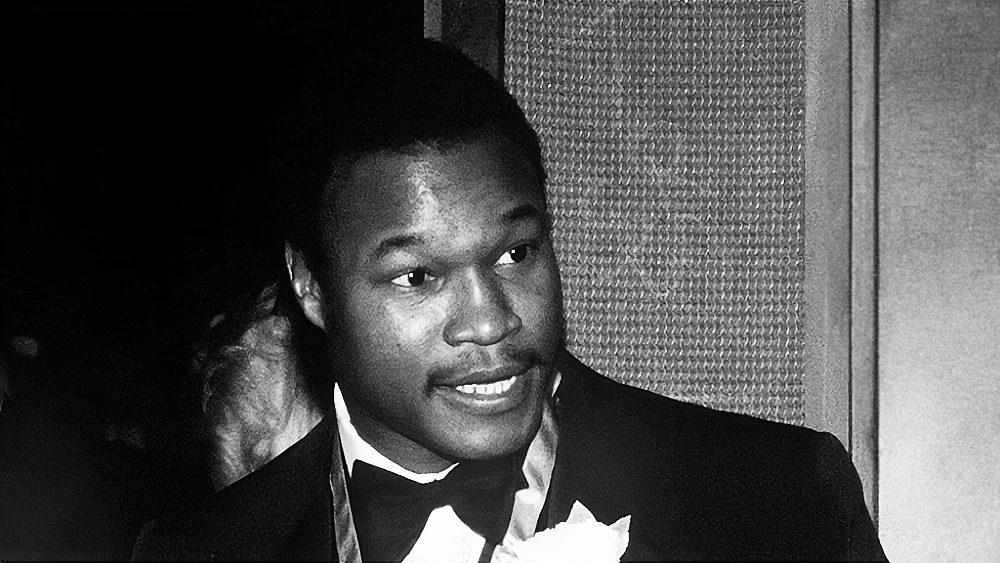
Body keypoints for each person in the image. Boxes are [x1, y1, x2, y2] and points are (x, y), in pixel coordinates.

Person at [132, 39, 887, 561]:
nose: (491, 318)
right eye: (418, 276)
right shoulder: (199, 548)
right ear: (310, 287)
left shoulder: (775, 502)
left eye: (515, 253)